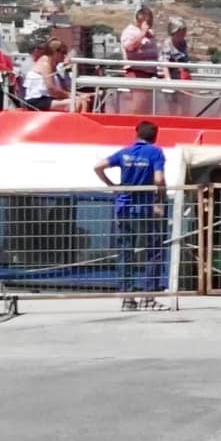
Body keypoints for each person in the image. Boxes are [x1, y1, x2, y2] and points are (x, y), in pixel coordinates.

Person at [94, 120, 167, 311]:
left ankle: (127, 298)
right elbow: (159, 179)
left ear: (137, 133)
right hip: (145, 208)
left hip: (123, 208)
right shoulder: (155, 152)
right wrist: (160, 200)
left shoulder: (125, 152)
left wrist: (112, 186)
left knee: (126, 252)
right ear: (155, 136)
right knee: (153, 251)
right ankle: (149, 297)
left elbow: (98, 166)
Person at [120, 8, 160, 114]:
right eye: (148, 21)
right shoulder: (129, 31)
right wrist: (142, 33)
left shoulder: (150, 33)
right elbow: (129, 47)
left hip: (151, 74)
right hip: (137, 73)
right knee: (138, 106)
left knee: (147, 108)